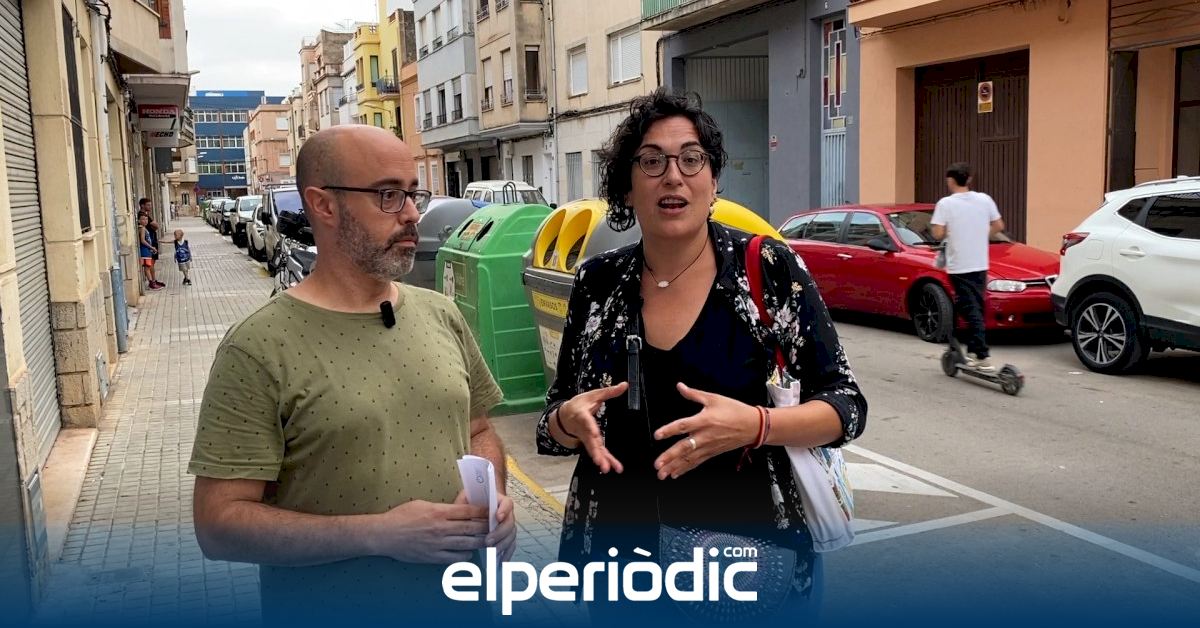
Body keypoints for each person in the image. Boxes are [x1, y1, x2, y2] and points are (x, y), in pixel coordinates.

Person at [536, 89, 868, 623]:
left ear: (713, 182)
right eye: (652, 161)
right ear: (626, 186)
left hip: (747, 563)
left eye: (691, 159)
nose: (673, 176)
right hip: (620, 566)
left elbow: (846, 406)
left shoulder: (767, 269)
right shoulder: (598, 282)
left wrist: (756, 426)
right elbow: (552, 424)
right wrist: (567, 422)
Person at [189, 125, 516, 623]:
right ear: (323, 205)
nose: (412, 214)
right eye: (388, 195)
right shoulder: (256, 348)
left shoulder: (442, 314)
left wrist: (493, 499)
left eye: (413, 193)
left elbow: (479, 431)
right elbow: (218, 525)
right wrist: (378, 534)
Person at [930, 162, 1005, 372]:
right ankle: (973, 350)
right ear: (969, 179)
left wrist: (949, 231)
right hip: (980, 263)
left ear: (950, 180)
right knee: (975, 306)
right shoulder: (984, 199)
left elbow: (937, 233)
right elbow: (999, 225)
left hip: (959, 265)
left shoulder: (946, 204)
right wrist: (980, 235)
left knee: (969, 308)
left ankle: (982, 355)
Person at [138, 214, 163, 290]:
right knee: (147, 267)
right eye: (143, 219)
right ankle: (151, 283)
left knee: (148, 266)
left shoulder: (144, 228)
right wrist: (151, 247)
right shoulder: (142, 228)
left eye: (146, 219)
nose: (145, 221)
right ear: (139, 220)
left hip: (147, 250)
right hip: (145, 250)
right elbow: (143, 240)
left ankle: (152, 282)